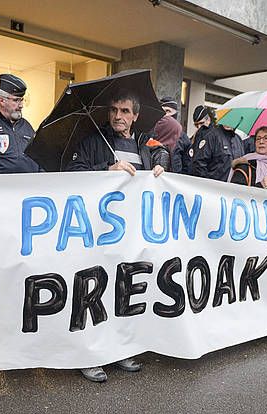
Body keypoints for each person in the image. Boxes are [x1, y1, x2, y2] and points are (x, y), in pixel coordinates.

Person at [66, 91, 167, 382]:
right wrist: (107, 170)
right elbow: (73, 173)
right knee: (93, 291)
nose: (117, 116)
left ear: (135, 116)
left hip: (132, 234)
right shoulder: (92, 141)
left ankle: (119, 349)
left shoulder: (142, 144)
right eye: (113, 110)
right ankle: (90, 355)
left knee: (123, 292)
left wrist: (159, 169)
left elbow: (157, 162)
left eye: (124, 111)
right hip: (98, 233)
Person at [189, 105, 235, 182]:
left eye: (201, 123)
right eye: (196, 125)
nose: (199, 127)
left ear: (209, 120)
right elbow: (199, 164)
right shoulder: (204, 136)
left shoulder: (236, 139)